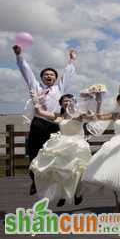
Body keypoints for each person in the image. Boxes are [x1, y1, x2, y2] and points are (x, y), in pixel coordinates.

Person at [14, 45, 76, 195]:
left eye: (52, 75)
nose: (49, 76)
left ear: (55, 78)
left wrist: (72, 60)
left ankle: (53, 183)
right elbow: (26, 72)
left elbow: (67, 75)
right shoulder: (35, 87)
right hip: (38, 123)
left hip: (54, 125)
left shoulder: (60, 89)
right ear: (42, 77)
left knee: (55, 154)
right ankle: (34, 180)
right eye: (46, 75)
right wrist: (19, 56)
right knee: (34, 152)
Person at [30, 93, 94, 207]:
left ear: (74, 102)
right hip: (61, 144)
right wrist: (36, 100)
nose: (68, 102)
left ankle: (77, 193)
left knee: (77, 170)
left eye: (70, 100)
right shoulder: (59, 116)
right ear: (61, 103)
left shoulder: (78, 115)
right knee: (58, 171)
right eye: (65, 100)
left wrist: (91, 101)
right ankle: (61, 195)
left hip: (77, 145)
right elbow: (39, 112)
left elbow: (89, 115)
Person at [80, 92, 120, 210]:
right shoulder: (114, 115)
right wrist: (95, 106)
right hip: (115, 145)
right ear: (118, 102)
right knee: (114, 175)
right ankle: (118, 202)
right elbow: (98, 117)